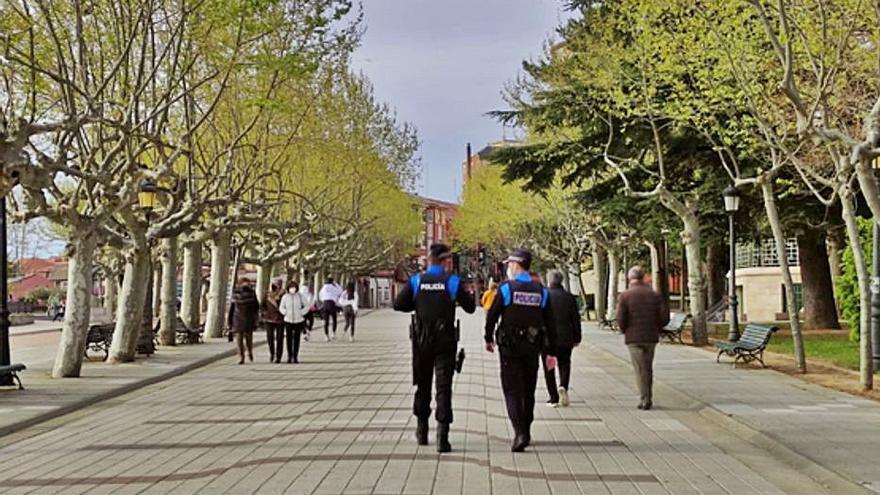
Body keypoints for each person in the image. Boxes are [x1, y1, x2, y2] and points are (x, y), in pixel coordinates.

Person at [393, 243, 476, 453]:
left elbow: (398, 304)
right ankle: (442, 437)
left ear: (429, 259)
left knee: (422, 384)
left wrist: (418, 303)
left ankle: (422, 431)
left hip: (421, 341)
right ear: (444, 259)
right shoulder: (452, 281)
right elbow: (470, 307)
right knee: (443, 387)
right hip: (445, 341)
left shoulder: (417, 280)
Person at [485, 248, 556, 452]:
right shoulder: (540, 290)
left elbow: (493, 315)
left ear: (516, 265)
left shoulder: (507, 288)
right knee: (528, 389)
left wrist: (488, 337)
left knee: (512, 390)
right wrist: (550, 350)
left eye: (509, 264)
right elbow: (549, 322)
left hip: (509, 347)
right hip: (532, 347)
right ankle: (526, 428)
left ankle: (519, 432)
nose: (508, 267)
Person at [617, 266, 668, 410]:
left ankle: (645, 399)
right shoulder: (654, 295)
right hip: (650, 337)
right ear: (643, 277)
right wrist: (657, 327)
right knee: (648, 367)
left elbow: (621, 318)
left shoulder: (625, 296)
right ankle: (648, 396)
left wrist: (624, 329)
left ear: (629, 278)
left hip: (633, 338)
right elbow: (664, 317)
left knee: (640, 369)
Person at [542, 271, 582, 408]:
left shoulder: (544, 296)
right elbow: (575, 319)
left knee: (550, 366)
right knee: (565, 363)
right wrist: (577, 337)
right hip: (566, 337)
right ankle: (563, 385)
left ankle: (553, 397)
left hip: (548, 339)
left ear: (549, 281)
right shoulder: (569, 297)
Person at [228, 279, 260, 365]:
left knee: (248, 339)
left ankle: (249, 351)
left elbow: (256, 307)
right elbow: (232, 309)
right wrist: (230, 322)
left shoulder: (252, 293)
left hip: (248, 319)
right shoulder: (235, 294)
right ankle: (241, 357)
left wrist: (256, 318)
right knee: (239, 340)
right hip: (237, 319)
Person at [279, 281, 308, 363]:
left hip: (298, 320)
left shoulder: (300, 296)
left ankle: (295, 356)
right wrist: (285, 312)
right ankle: (289, 356)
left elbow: (307, 305)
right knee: (289, 339)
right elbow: (281, 307)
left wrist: (301, 312)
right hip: (288, 320)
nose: (293, 289)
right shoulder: (285, 297)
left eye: (294, 287)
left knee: (296, 339)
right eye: (291, 287)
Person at [260, 283, 285, 363]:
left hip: (280, 319)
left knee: (279, 339)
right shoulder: (267, 295)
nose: (277, 288)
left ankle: (278, 356)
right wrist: (264, 313)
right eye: (276, 286)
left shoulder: (283, 295)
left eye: (278, 286)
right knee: (270, 338)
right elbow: (262, 306)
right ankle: (272, 354)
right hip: (269, 319)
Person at [318, 277, 343, 341]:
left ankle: (326, 336)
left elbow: (320, 296)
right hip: (332, 304)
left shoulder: (323, 288)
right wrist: (336, 284)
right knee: (334, 319)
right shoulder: (333, 287)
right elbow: (340, 291)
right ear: (332, 282)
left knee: (326, 321)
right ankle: (333, 334)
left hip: (325, 303)